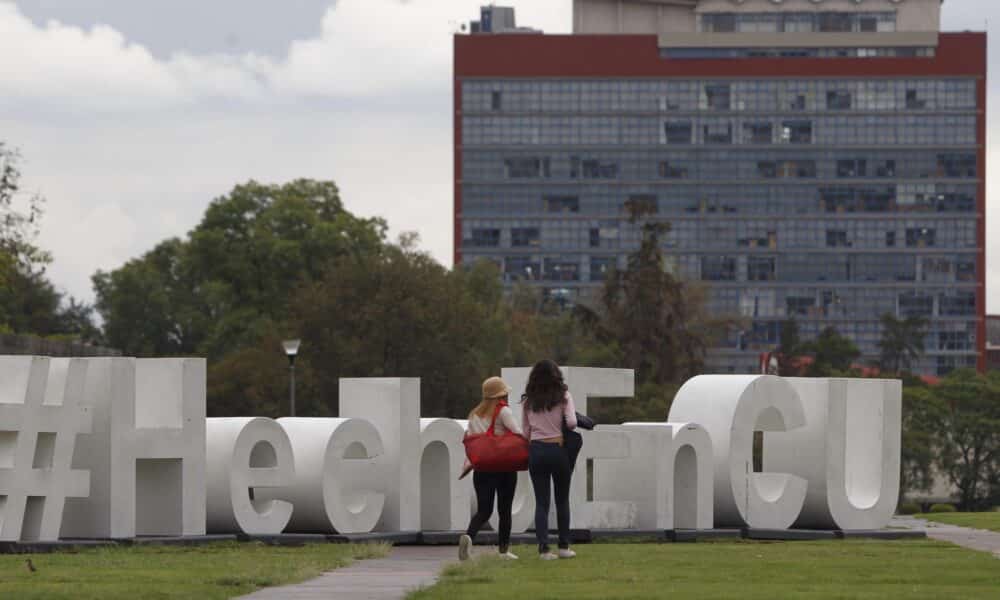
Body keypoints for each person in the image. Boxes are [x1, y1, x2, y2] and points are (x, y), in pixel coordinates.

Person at [458, 376, 523, 561]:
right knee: (505, 509)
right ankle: (503, 550)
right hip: (504, 467)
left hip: (482, 469)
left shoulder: (474, 414)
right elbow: (518, 433)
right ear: (501, 395)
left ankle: (469, 537)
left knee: (484, 510)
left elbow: (471, 440)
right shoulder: (503, 411)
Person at [521, 359, 577, 560]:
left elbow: (525, 431)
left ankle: (544, 549)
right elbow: (571, 423)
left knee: (541, 503)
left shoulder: (529, 400)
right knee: (562, 500)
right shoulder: (564, 396)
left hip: (536, 450)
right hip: (558, 449)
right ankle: (563, 547)